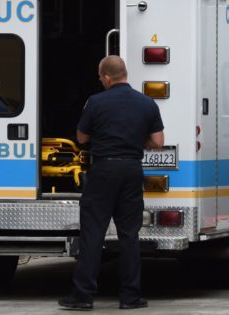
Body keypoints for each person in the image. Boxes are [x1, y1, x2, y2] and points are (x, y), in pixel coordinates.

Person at [58, 55, 164, 310]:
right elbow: (158, 141)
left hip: (104, 169)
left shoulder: (95, 102)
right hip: (131, 169)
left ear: (106, 78)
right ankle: (130, 297)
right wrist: (139, 141)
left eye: (99, 77)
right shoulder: (147, 103)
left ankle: (83, 296)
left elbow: (82, 137)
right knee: (129, 235)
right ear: (124, 74)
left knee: (93, 234)